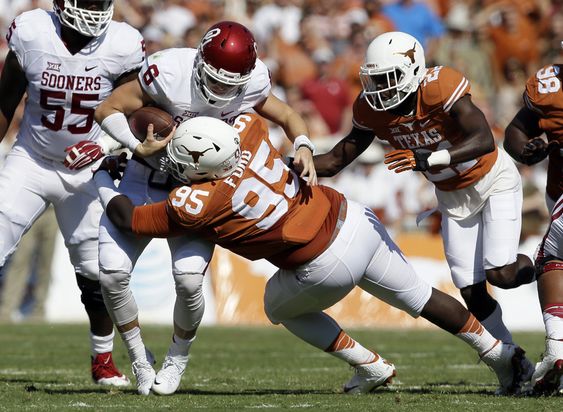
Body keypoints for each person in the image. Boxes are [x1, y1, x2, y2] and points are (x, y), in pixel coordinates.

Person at [93, 113, 530, 395]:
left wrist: (101, 176)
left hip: (320, 260)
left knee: (275, 307)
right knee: (420, 295)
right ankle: (500, 355)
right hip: (352, 218)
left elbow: (129, 219)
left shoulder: (200, 202)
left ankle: (370, 364)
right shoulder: (247, 129)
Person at [81, 21, 317, 395]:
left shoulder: (254, 81)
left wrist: (303, 144)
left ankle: (177, 357)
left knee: (189, 280)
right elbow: (109, 108)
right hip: (148, 177)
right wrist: (135, 144)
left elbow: (288, 116)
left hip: (199, 188)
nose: (223, 90)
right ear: (199, 62)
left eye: (231, 84)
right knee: (111, 273)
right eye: (216, 79)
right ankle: (140, 359)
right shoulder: (170, 70)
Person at [303, 31, 536, 375]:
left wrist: (432, 158)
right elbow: (337, 159)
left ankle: (542, 265)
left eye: (389, 77)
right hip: (452, 196)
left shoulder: (439, 86)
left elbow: (484, 139)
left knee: (499, 273)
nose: (379, 87)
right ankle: (513, 359)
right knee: (471, 291)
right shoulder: (371, 109)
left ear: (413, 70)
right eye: (375, 78)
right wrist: (291, 162)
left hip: (493, 180)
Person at [0, 0, 145, 386]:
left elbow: (138, 109)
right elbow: (6, 98)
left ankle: (103, 361)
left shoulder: (123, 43)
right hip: (32, 159)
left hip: (87, 170)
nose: (96, 8)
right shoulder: (32, 32)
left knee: (96, 274)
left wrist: (111, 146)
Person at [504, 62, 563, 395]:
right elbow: (517, 129)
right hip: (558, 193)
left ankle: (556, 347)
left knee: (551, 257)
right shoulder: (548, 88)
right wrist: (526, 150)